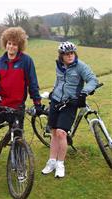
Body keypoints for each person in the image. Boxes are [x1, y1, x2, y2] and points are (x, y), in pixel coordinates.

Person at [0, 27, 43, 171]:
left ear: (20, 46)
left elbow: (33, 83)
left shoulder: (26, 61)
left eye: (15, 44)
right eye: (9, 43)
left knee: (17, 136)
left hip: (17, 107)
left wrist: (37, 103)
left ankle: (18, 164)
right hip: (0, 106)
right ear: (5, 43)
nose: (11, 46)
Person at [41, 41, 98, 178]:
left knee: (61, 133)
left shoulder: (80, 66)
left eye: (72, 53)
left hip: (70, 103)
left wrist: (84, 92)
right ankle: (52, 161)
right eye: (67, 54)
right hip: (55, 101)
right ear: (61, 56)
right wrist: (52, 92)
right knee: (53, 132)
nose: (70, 56)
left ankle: (60, 164)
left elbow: (93, 80)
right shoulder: (59, 66)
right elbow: (59, 81)